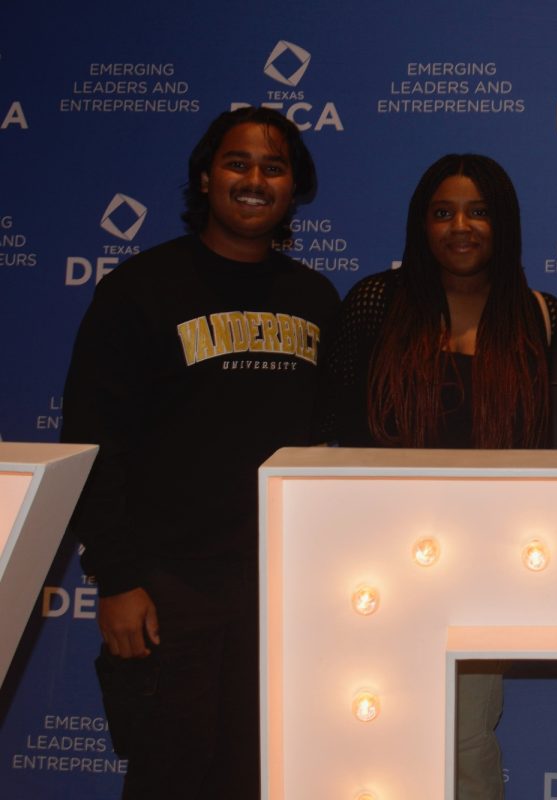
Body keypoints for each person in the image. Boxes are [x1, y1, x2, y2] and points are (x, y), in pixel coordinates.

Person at [61, 106, 340, 799]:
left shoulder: (314, 297)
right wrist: (118, 579)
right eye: (238, 163)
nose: (254, 180)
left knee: (262, 773)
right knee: (168, 776)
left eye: (273, 167)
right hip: (166, 588)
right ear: (206, 176)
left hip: (276, 589)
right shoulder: (139, 290)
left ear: (293, 187)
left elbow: (331, 445)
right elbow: (93, 439)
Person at [325, 153, 557, 800]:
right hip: (375, 569)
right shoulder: (376, 304)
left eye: (479, 211)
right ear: (420, 225)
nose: (461, 225)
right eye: (443, 211)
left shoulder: (540, 317)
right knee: (369, 734)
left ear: (504, 223)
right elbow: (337, 435)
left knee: (464, 739)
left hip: (485, 570)